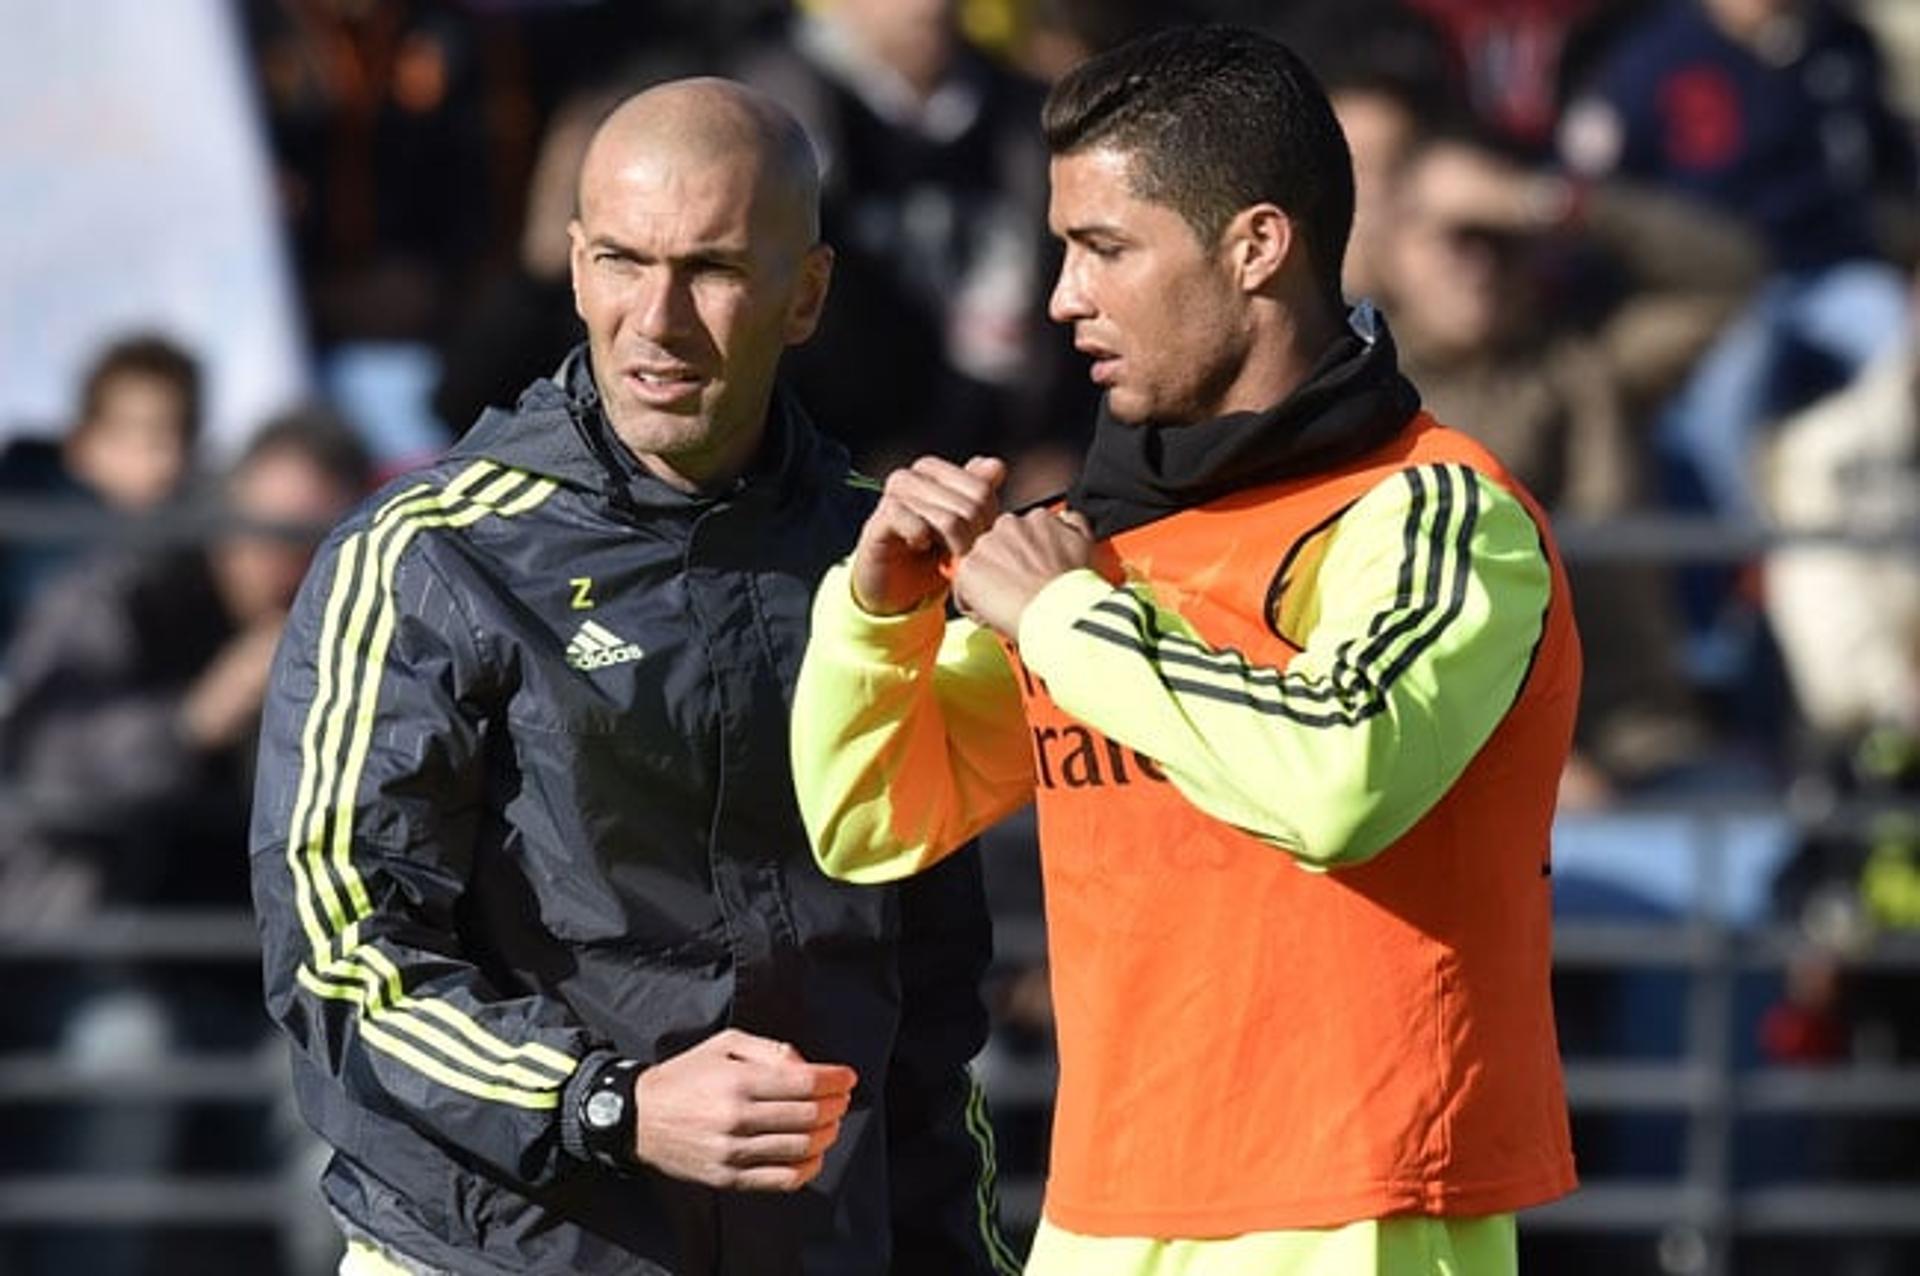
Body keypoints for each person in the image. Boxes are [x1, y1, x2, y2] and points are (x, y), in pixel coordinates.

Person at [791, 26, 1581, 1275]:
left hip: (1354, 1209)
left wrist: (1067, 622)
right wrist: (876, 613)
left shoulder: (1438, 513)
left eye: (1103, 247)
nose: (1062, 297)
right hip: (1102, 1212)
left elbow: (1339, 779)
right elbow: (871, 818)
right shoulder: (1096, 544)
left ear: (1257, 247)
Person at [248, 79, 1011, 1276]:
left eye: (710, 268)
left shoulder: (885, 566)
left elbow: (927, 1002)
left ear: (805, 294)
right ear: (572, 264)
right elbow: (342, 953)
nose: (656, 319)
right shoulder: (429, 552)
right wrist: (608, 1103)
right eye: (620, 260)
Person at [0, 409, 369, 1276]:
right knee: (125, 1059)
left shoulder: (369, 618)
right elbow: (49, 768)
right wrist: (196, 719)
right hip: (118, 958)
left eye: (304, 537)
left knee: (340, 1102)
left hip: (295, 988)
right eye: (260, 529)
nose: (276, 560)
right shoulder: (126, 593)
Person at [0, 333, 202, 653]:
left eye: (180, 434)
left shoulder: (198, 563)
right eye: (143, 435)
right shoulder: (32, 559)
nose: (167, 458)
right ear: (81, 444)